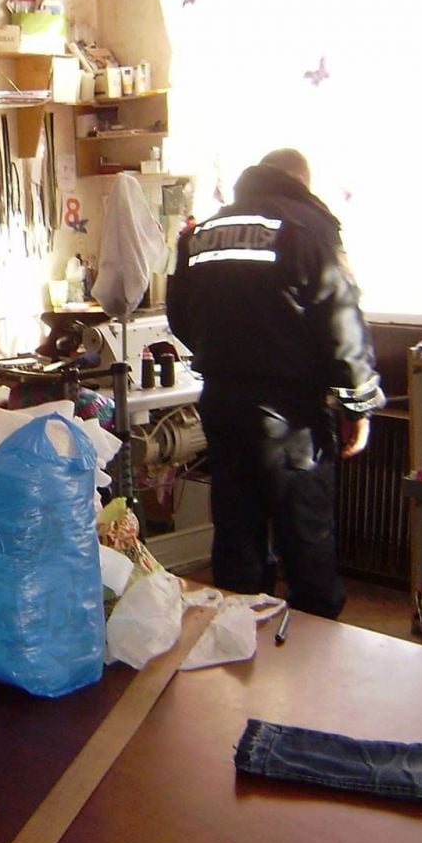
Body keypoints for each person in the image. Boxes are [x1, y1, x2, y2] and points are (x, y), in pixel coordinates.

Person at [166, 148, 383, 619]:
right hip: (290, 413)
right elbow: (341, 323)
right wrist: (357, 405)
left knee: (237, 533)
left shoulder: (202, 232)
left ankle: (238, 641)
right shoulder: (307, 227)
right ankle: (317, 644)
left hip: (221, 403)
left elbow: (179, 316)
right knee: (305, 536)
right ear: (300, 181)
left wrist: (226, 355)